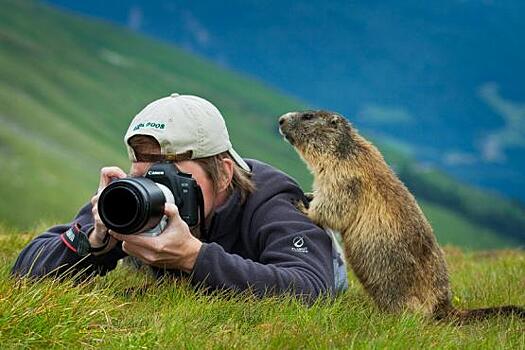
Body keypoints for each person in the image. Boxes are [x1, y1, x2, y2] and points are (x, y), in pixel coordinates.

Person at [12, 93, 347, 301]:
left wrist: (193, 257)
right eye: (143, 162)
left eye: (171, 168)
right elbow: (25, 272)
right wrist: (95, 242)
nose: (156, 181)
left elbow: (311, 287)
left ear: (225, 173)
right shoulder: (135, 196)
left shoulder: (271, 199)